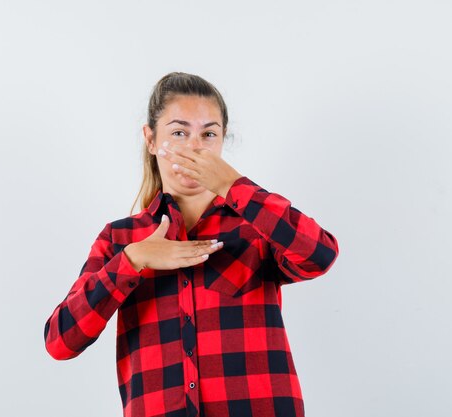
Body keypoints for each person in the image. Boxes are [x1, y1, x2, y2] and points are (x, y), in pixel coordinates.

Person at [44, 72, 339, 417]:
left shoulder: (257, 227)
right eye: (179, 133)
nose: (194, 147)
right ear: (151, 140)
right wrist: (133, 260)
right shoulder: (119, 240)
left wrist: (233, 185)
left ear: (222, 141)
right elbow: (61, 342)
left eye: (208, 134)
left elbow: (320, 255)